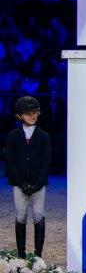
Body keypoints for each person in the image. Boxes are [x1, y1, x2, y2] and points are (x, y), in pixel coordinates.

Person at [5, 96, 51, 258]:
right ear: (19, 116)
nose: (32, 116)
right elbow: (10, 162)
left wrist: (37, 184)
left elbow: (47, 162)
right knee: (21, 214)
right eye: (27, 113)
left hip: (38, 183)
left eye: (34, 112)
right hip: (19, 183)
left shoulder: (44, 136)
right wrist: (21, 182)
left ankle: (38, 255)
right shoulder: (12, 136)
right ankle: (21, 255)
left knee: (38, 214)